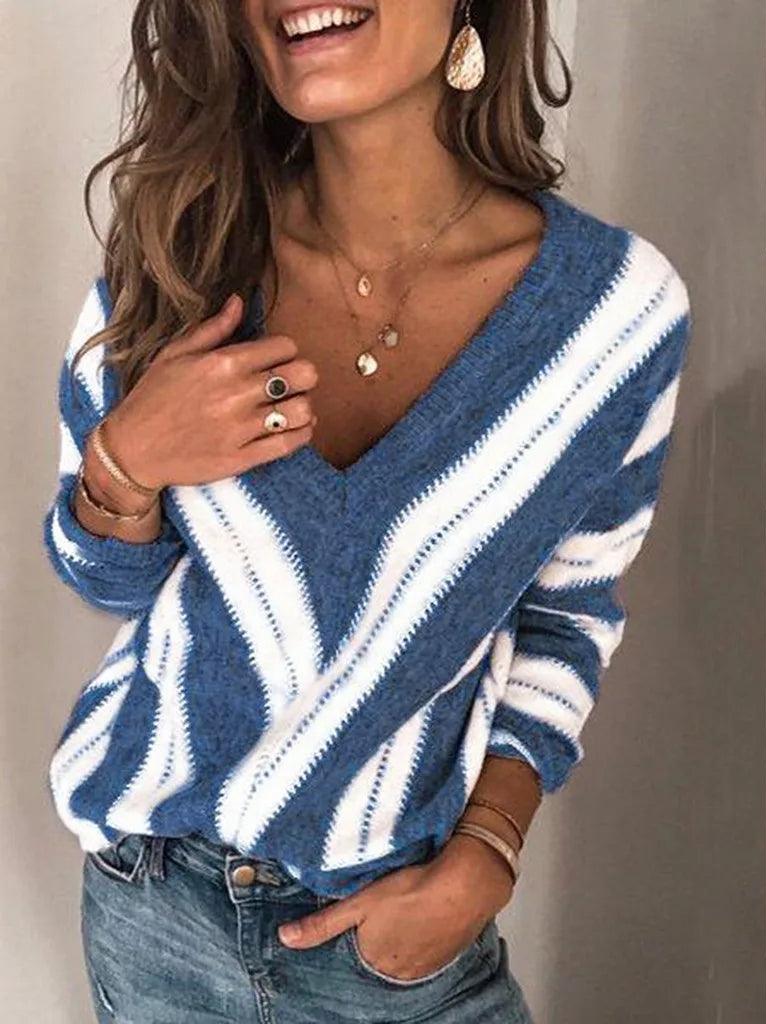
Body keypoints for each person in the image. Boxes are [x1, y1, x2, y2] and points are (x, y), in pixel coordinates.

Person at [41, 2, 692, 1020]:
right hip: (154, 907)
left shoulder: (613, 315)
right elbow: (108, 580)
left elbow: (567, 616)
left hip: (392, 938)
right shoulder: (182, 259)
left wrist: (487, 851)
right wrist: (126, 462)